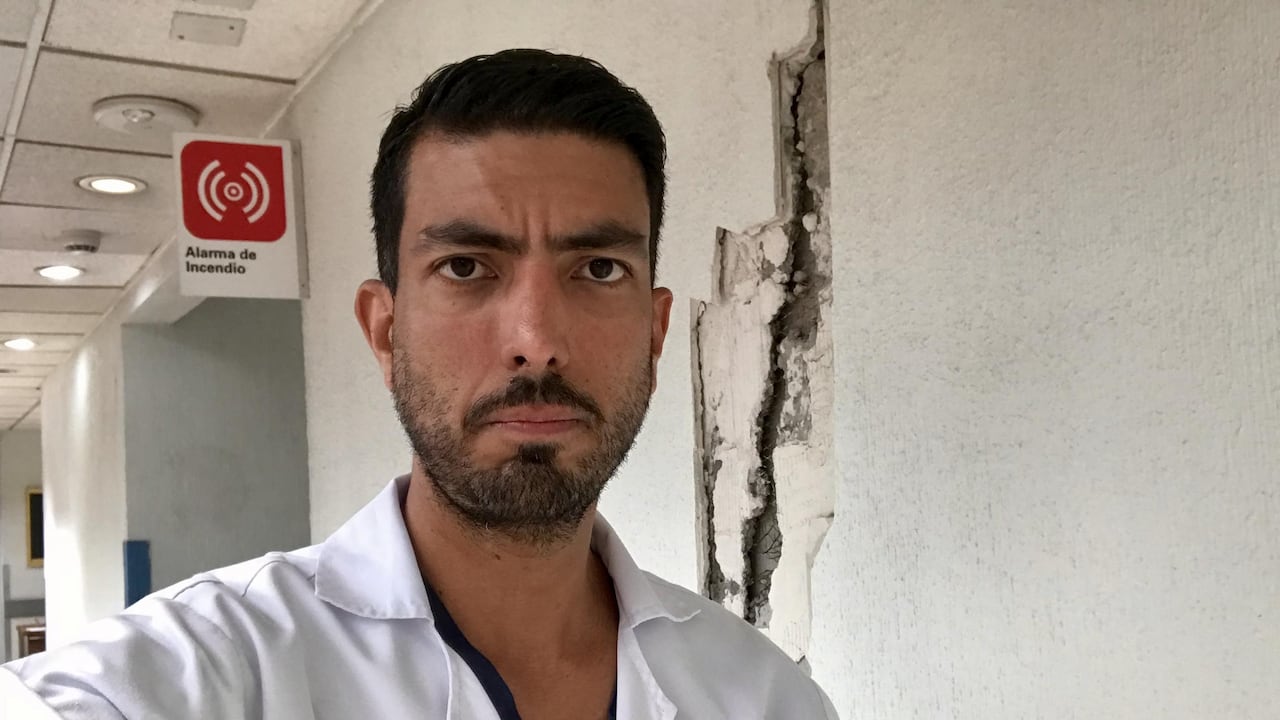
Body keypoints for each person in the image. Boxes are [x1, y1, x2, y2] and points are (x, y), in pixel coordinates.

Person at [0, 50, 838, 719]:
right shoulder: (218, 666)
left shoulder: (763, 696)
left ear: (654, 333)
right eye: (467, 266)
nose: (537, 342)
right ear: (384, 330)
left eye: (598, 268)